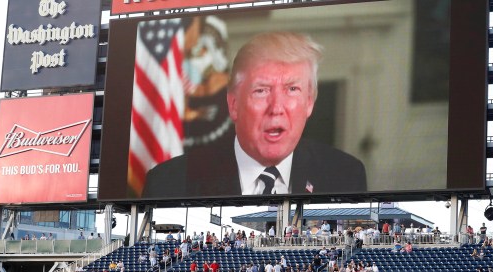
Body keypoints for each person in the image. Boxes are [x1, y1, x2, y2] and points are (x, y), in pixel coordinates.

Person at [143, 31, 366, 197]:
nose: (277, 107)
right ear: (233, 104)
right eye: (261, 90)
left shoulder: (345, 175)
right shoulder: (170, 182)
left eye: (292, 89)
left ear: (309, 102)